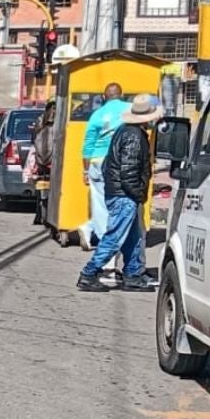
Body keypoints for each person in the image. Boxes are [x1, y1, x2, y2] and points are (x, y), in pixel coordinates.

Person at [76, 94, 163, 293]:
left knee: (133, 237)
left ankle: (132, 274)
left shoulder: (126, 132)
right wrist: (139, 192)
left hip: (121, 192)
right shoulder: (134, 136)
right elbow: (129, 171)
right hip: (125, 195)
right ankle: (89, 273)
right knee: (115, 237)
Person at [79, 83, 132, 251]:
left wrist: (86, 170)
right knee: (122, 202)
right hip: (124, 161)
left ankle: (99, 235)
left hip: (98, 161)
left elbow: (88, 145)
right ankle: (105, 239)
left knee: (101, 203)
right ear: (121, 95)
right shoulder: (131, 109)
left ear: (104, 97)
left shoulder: (97, 115)